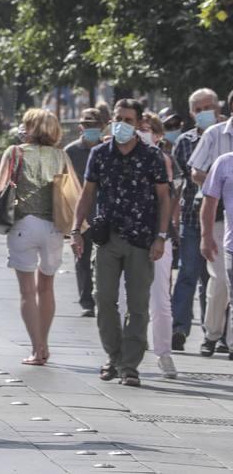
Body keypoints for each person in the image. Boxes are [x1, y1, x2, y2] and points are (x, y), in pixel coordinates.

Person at [70, 99, 171, 387]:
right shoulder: (101, 154)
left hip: (142, 240)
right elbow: (87, 194)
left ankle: (130, 365)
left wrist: (161, 236)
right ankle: (113, 356)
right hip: (108, 238)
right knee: (104, 300)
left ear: (139, 123)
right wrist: (76, 229)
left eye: (128, 119)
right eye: (118, 118)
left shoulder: (152, 156)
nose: (121, 124)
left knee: (138, 306)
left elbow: (164, 198)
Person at [0, 109, 72, 366]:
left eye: (25, 124)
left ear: (31, 128)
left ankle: (36, 349)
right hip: (53, 228)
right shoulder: (62, 155)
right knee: (46, 288)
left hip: (23, 225)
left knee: (27, 291)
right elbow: (72, 191)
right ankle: (45, 344)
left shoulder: (15, 153)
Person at [186, 88, 233, 357]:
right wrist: (222, 186)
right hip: (217, 215)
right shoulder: (215, 135)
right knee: (220, 280)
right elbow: (196, 173)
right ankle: (213, 333)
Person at [169, 92, 210, 352]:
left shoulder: (224, 135)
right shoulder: (184, 142)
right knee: (187, 273)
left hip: (221, 219)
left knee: (214, 280)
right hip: (192, 220)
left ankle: (213, 332)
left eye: (209, 107)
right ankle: (179, 328)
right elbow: (177, 183)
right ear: (192, 112)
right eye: (199, 108)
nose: (205, 111)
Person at [141, 112, 181, 378]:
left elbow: (173, 197)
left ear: (158, 135)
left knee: (160, 299)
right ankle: (122, 352)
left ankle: (163, 353)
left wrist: (165, 231)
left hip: (158, 235)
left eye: (147, 130)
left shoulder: (166, 161)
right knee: (121, 298)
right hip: (127, 236)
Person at [65, 108, 106, 317]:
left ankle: (103, 298)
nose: (90, 129)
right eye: (86, 125)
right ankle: (87, 301)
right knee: (82, 259)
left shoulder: (109, 149)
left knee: (102, 260)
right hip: (80, 215)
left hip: (103, 214)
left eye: (95, 125)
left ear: (103, 126)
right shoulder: (70, 152)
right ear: (81, 127)